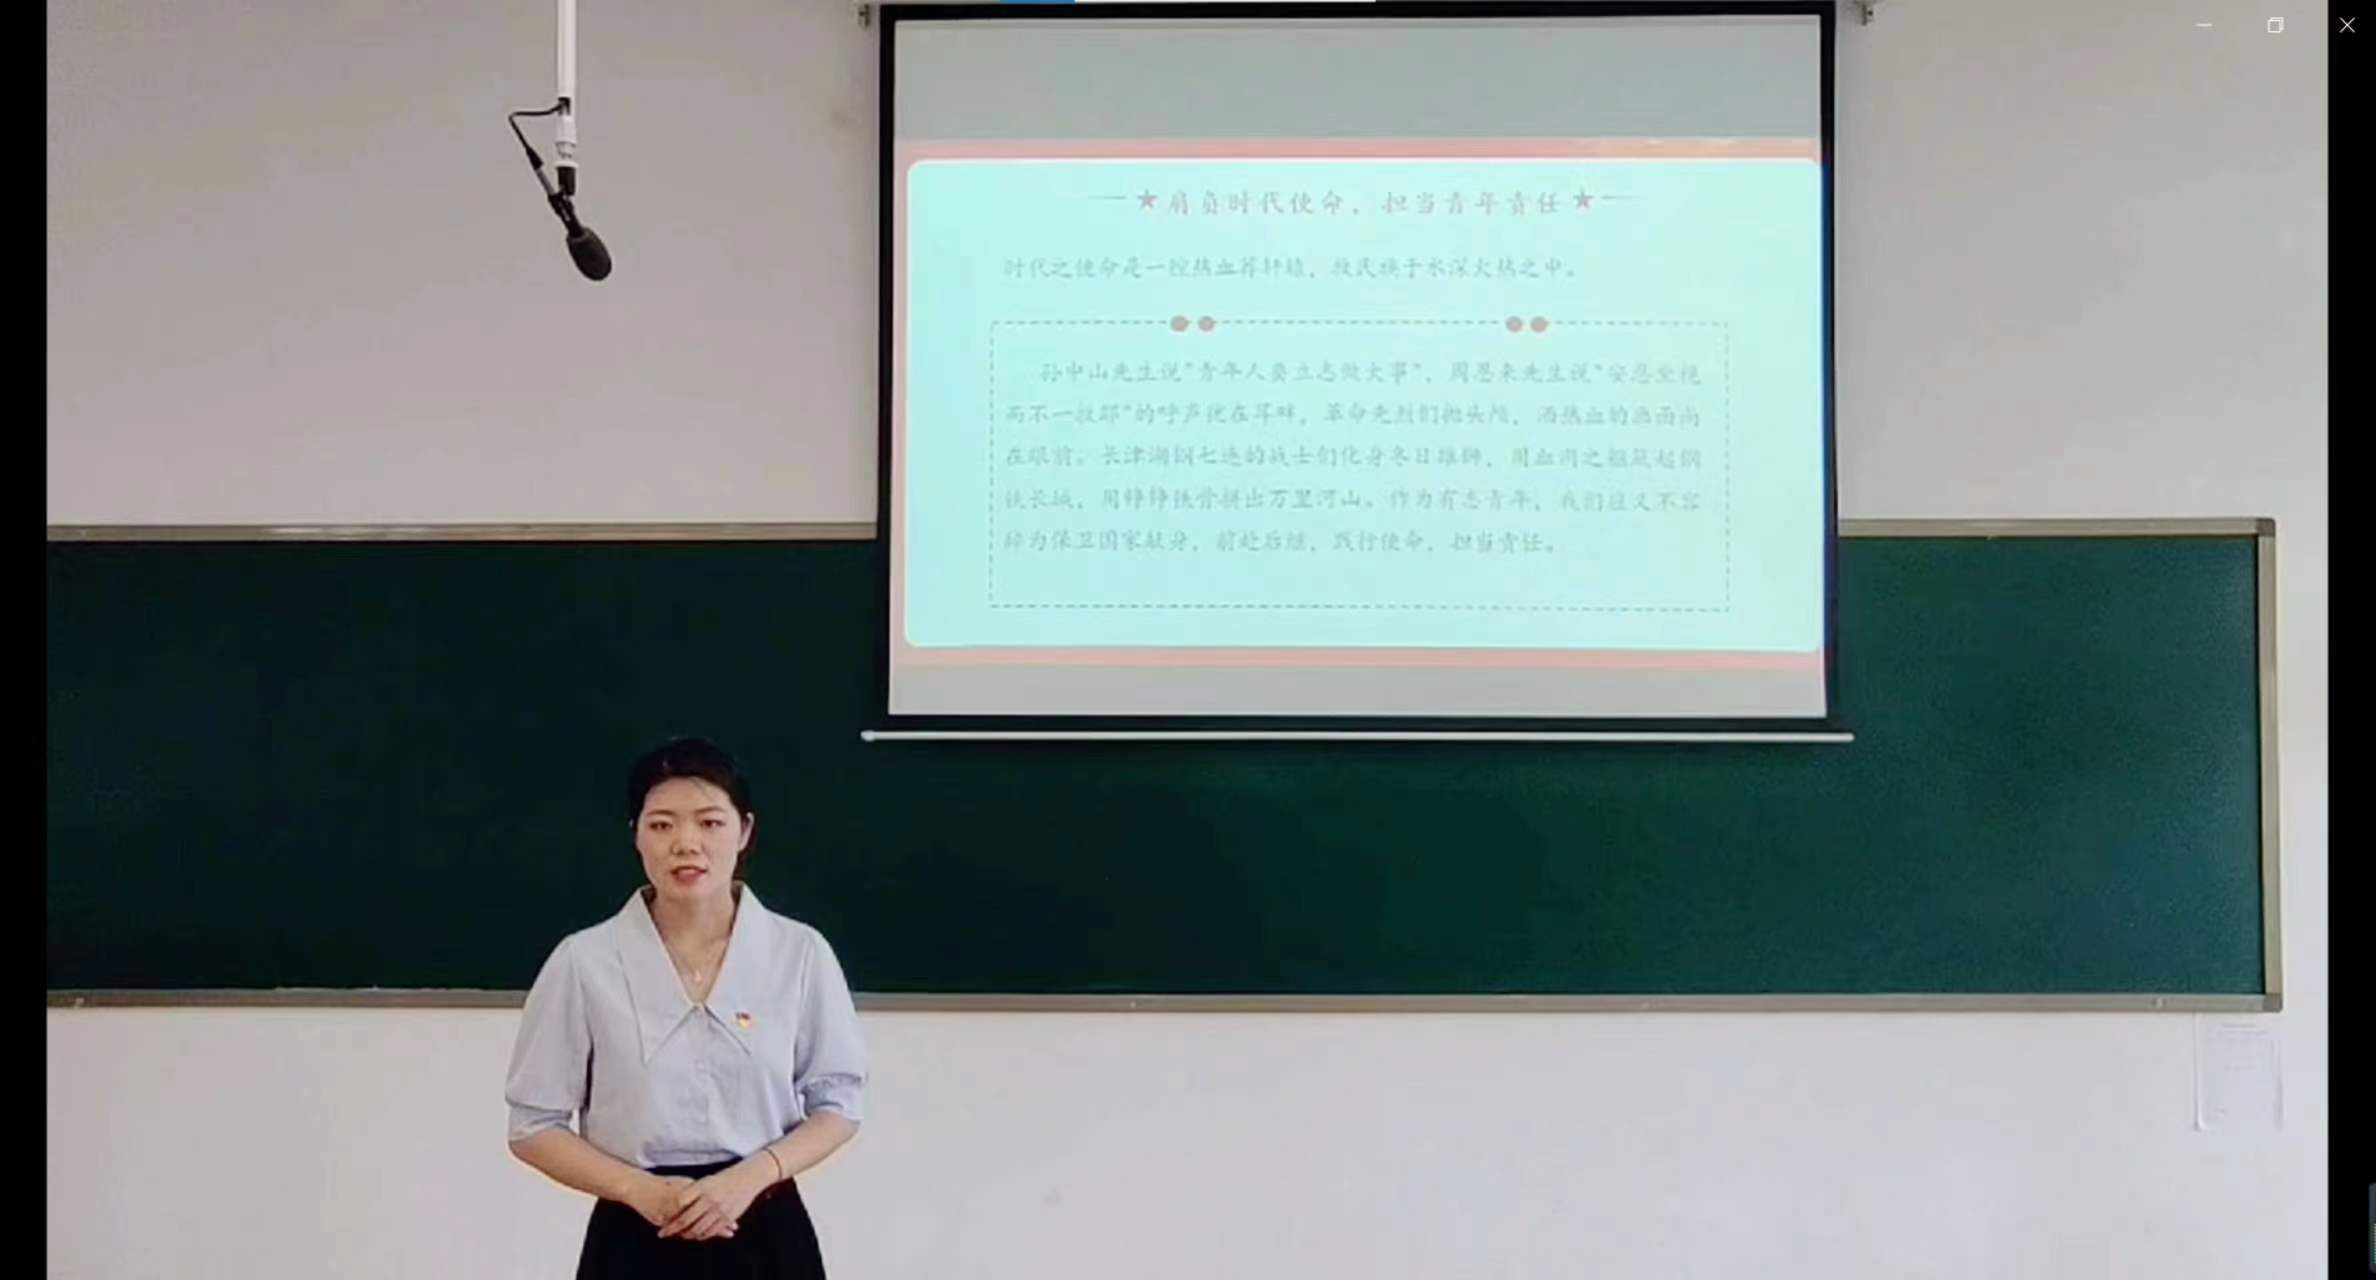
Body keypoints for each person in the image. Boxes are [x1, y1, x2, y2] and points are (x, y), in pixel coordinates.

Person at [505, 737, 865, 1279]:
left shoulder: (799, 953)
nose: (685, 843)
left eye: (709, 823)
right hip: (635, 1234)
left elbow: (839, 1102)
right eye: (662, 825)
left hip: (763, 1227)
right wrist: (639, 1190)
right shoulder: (584, 962)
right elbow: (532, 1125)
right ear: (636, 835)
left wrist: (749, 1178)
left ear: (744, 831)